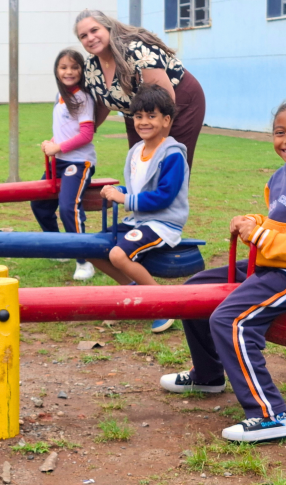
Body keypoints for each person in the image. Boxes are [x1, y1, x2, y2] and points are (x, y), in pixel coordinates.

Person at [160, 100, 286, 442]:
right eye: (280, 132)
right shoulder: (281, 175)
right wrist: (254, 221)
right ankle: (208, 375)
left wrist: (262, 235)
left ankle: (270, 415)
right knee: (193, 291)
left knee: (231, 321)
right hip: (268, 262)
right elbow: (280, 222)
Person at [91, 84, 189, 333]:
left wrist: (125, 199)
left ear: (166, 120)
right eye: (138, 116)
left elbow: (163, 197)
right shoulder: (136, 151)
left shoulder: (172, 154)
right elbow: (137, 189)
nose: (144, 122)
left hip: (162, 223)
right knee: (91, 248)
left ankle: (162, 305)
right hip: (139, 220)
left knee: (117, 255)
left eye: (151, 116)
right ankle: (136, 295)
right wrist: (119, 191)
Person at [74, 9, 205, 168]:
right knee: (137, 167)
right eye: (83, 36)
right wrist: (79, 133)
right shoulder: (91, 65)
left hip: (179, 102)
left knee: (168, 164)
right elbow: (103, 102)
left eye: (94, 30)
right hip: (138, 112)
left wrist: (157, 148)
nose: (90, 38)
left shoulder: (137, 51)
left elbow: (167, 100)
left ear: (108, 28)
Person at [31, 49, 97, 281]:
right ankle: (59, 247)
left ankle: (84, 261)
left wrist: (58, 147)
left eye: (74, 67)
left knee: (68, 207)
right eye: (64, 67)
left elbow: (87, 134)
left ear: (82, 70)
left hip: (78, 163)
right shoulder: (60, 96)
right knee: (39, 204)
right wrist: (52, 142)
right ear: (57, 71)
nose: (69, 72)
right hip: (58, 161)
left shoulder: (83, 98)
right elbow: (65, 131)